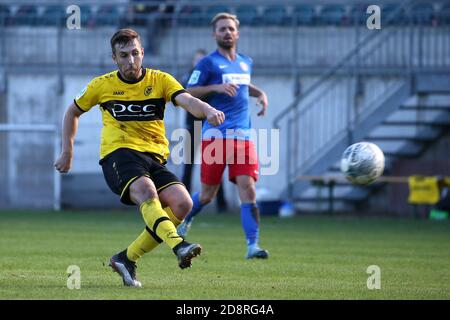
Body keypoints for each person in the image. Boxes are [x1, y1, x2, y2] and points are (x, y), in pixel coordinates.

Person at [54, 28, 225, 287]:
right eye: (124, 55)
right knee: (147, 192)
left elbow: (188, 100)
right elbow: (72, 112)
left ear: (142, 53)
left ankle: (126, 258)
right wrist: (68, 150)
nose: (131, 60)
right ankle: (178, 245)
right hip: (118, 154)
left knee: (183, 204)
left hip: (154, 157)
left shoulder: (160, 80)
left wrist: (208, 109)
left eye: (135, 53)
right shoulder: (102, 85)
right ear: (114, 58)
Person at [177, 13, 270, 259]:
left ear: (237, 33)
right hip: (216, 136)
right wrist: (216, 88)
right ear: (214, 34)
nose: (227, 32)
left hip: (243, 137)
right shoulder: (207, 64)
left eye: (230, 28)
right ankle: (186, 218)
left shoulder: (245, 62)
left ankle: (253, 246)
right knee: (208, 194)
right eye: (222, 29)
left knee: (248, 189)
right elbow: (188, 91)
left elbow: (243, 86)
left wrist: (260, 93)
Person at [181, 49, 228, 212]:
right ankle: (182, 202)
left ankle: (221, 204)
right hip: (191, 125)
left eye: (202, 60)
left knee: (214, 164)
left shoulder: (212, 78)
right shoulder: (188, 77)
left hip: (210, 126)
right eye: (197, 60)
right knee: (188, 164)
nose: (199, 63)